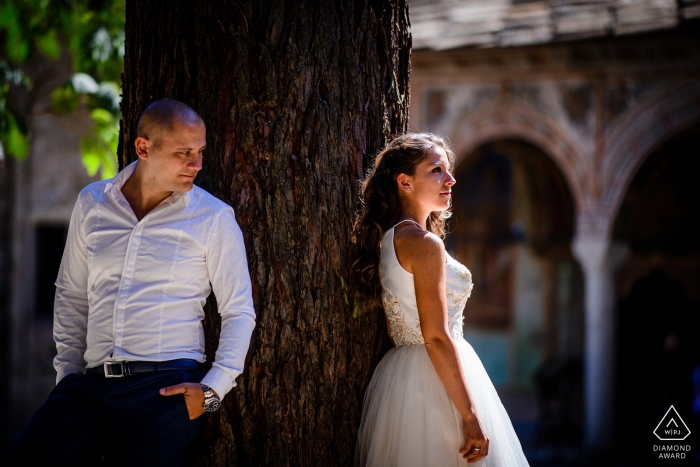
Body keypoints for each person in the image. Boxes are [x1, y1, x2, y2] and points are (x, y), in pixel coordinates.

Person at [2, 98, 256, 466]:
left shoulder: (213, 218)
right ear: (143, 147)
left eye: (200, 151)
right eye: (184, 152)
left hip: (163, 392)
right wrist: (68, 376)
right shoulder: (92, 203)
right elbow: (72, 294)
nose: (197, 164)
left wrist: (212, 390)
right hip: (86, 388)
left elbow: (239, 310)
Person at [351, 133, 529, 466]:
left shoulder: (390, 238)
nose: (451, 179)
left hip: (402, 378)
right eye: (436, 170)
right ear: (405, 181)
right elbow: (434, 335)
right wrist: (470, 414)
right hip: (435, 378)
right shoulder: (423, 243)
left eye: (447, 170)